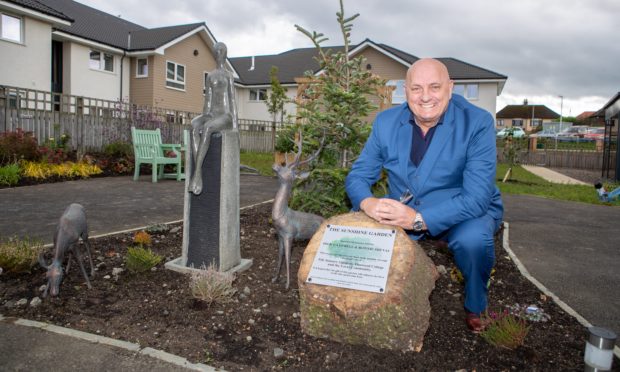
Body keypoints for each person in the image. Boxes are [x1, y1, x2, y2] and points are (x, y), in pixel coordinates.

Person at [345, 58, 503, 333]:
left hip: (462, 210)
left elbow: (477, 198)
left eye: (434, 87)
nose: (426, 96)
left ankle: (476, 304)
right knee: (357, 231)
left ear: (450, 88)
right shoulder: (385, 122)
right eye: (416, 88)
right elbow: (358, 176)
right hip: (404, 209)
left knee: (473, 241)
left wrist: (419, 220)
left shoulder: (477, 123)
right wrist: (368, 203)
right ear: (404, 91)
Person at [189, 42, 237, 195]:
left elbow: (233, 100)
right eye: (217, 51)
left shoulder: (229, 75)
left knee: (208, 127)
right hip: (212, 114)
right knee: (193, 125)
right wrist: (203, 117)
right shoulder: (210, 76)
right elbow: (207, 100)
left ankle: (197, 174)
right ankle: (199, 170)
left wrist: (235, 125)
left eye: (221, 50)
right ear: (214, 54)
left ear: (225, 54)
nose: (219, 53)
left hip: (225, 116)